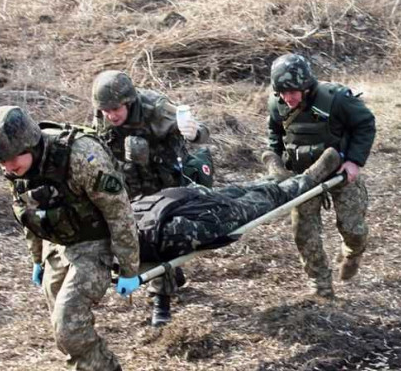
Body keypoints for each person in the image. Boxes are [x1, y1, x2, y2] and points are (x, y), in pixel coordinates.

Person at [0, 106, 141, 371]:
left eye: (12, 159)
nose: (8, 168)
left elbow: (118, 210)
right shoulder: (15, 167)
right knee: (62, 324)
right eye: (2, 163)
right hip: (60, 243)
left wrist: (128, 266)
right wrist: (37, 259)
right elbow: (28, 214)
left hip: (96, 241)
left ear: (30, 144)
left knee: (67, 319)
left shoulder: (81, 155)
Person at [91, 70, 211, 326]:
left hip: (163, 179)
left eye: (116, 109)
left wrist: (193, 132)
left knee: (155, 233)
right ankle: (170, 275)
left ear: (129, 101)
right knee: (139, 232)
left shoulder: (155, 108)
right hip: (130, 181)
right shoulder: (102, 116)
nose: (111, 115)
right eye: (105, 110)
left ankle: (161, 300)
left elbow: (201, 132)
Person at [265, 53, 376, 298]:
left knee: (354, 229)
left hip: (339, 173)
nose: (287, 98)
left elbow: (365, 123)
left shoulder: (335, 99)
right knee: (304, 233)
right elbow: (274, 133)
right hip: (302, 178)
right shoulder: (278, 104)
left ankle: (352, 253)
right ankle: (320, 284)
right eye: (282, 93)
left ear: (305, 85)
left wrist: (354, 161)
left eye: (292, 92)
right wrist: (276, 162)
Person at [134, 148, 342, 263]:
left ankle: (300, 179)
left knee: (258, 202)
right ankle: (285, 178)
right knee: (241, 193)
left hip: (176, 220)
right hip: (167, 205)